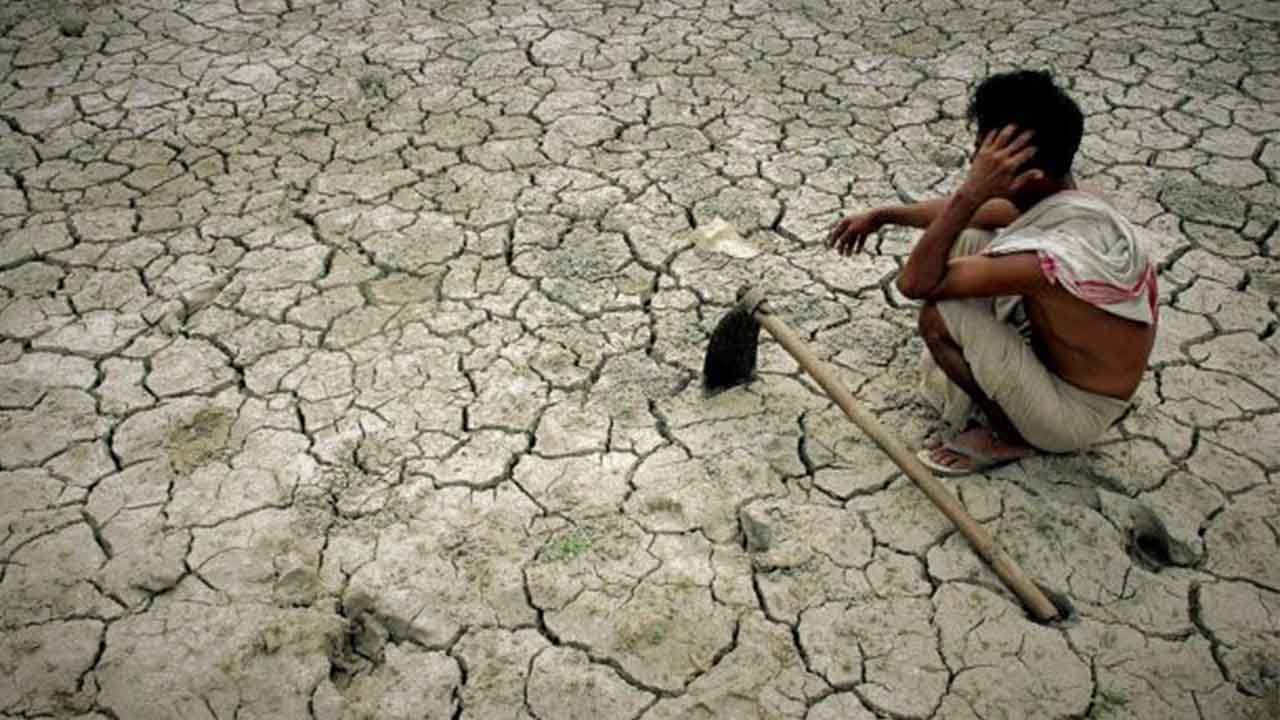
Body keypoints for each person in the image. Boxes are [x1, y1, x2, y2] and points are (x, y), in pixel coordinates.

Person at [828, 70, 1158, 476]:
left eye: (985, 159)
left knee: (939, 316)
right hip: (1064, 367)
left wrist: (973, 190)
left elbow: (913, 283)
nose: (974, 163)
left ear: (1030, 176)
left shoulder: (1049, 261)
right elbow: (976, 215)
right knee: (972, 236)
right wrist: (883, 216)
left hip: (1071, 415)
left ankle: (1010, 438)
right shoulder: (1068, 197)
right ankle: (1004, 391)